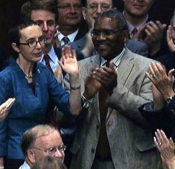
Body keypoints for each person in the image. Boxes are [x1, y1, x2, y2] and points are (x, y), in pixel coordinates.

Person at [65, 9, 161, 169]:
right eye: (97, 33)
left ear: (124, 36)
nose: (101, 38)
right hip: (87, 162)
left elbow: (150, 115)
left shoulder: (148, 68)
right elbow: (62, 117)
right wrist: (86, 96)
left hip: (134, 161)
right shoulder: (79, 69)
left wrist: (114, 91)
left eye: (108, 32)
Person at [0, 18, 81, 169]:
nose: (39, 46)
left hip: (43, 158)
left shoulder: (42, 72)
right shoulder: (5, 79)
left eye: (41, 40)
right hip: (15, 157)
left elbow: (73, 109)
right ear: (16, 47)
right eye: (31, 42)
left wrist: (75, 76)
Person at [69, 0, 149, 57]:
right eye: (93, 6)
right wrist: (87, 50)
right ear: (84, 13)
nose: (99, 11)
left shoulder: (136, 49)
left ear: (114, 13)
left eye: (105, 7)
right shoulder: (69, 49)